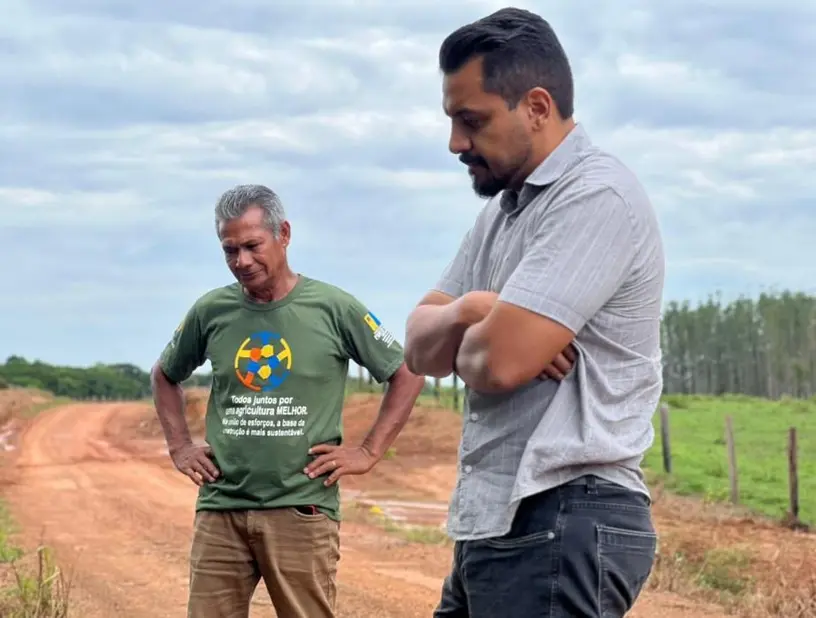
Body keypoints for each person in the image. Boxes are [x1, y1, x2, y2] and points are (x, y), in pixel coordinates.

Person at [403, 8, 665, 618]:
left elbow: (496, 364)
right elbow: (417, 348)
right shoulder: (503, 211)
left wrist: (472, 339)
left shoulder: (594, 197)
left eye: (472, 121)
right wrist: (476, 307)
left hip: (563, 511)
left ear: (538, 107)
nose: (455, 143)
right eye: (451, 121)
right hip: (502, 519)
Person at [150, 183, 425, 618]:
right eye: (229, 250)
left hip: (301, 508)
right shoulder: (211, 310)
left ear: (284, 234)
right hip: (222, 507)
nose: (242, 261)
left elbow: (406, 370)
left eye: (252, 246)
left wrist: (369, 451)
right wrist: (180, 447)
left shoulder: (333, 307)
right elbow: (165, 374)